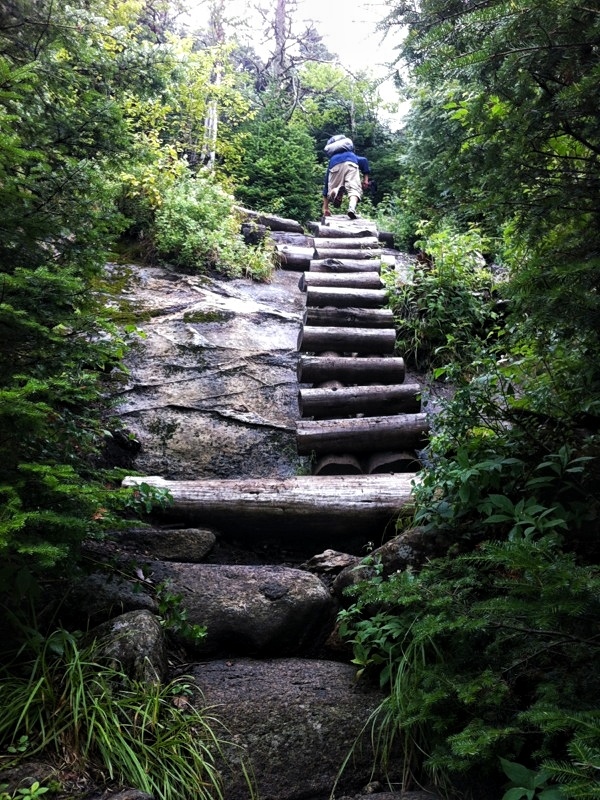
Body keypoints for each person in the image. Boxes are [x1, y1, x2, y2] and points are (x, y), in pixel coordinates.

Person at [322, 134, 370, 220]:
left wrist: (325, 208)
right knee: (354, 190)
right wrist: (366, 179)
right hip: (351, 163)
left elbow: (326, 183)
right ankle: (351, 207)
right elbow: (364, 161)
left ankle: (336, 190)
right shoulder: (351, 154)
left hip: (335, 165)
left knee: (331, 191)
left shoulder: (333, 158)